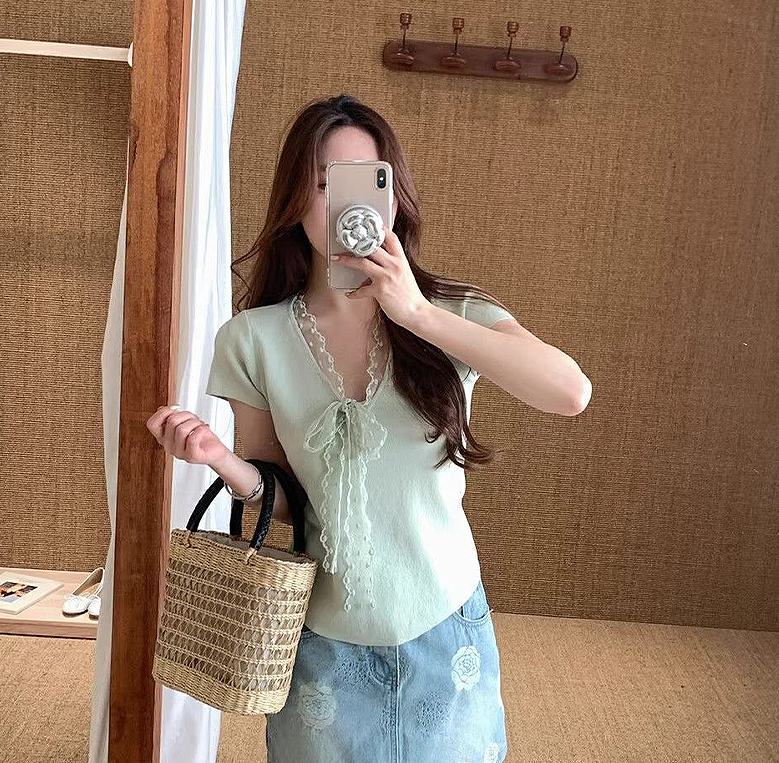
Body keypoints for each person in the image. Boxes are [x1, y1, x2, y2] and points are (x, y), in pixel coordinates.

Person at [146, 94, 591, 763]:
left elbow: (570, 392)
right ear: (295, 198)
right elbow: (282, 500)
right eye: (325, 182)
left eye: (366, 180)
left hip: (445, 627)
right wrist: (221, 461)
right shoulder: (251, 340)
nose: (346, 205)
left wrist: (418, 315)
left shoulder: (453, 313)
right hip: (324, 645)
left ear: (393, 194)